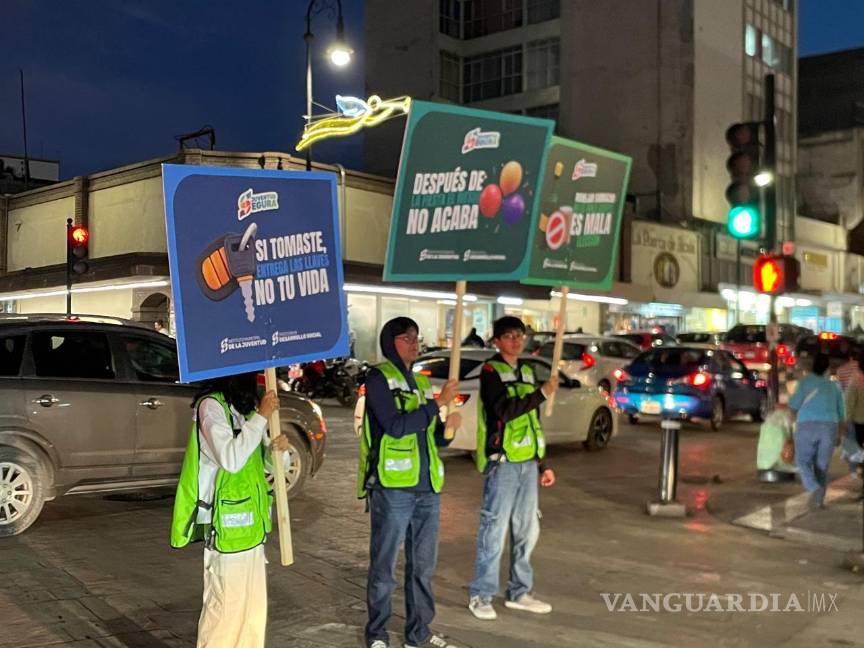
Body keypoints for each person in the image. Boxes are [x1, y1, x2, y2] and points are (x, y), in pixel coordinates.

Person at [357, 317, 462, 648]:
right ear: (390, 342)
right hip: (392, 488)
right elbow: (394, 426)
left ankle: (419, 634)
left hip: (427, 488)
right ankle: (376, 634)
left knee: (423, 568)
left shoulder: (419, 382)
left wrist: (448, 431)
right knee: (384, 566)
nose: (415, 343)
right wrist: (437, 404)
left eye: (417, 337)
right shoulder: (377, 378)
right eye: (407, 338)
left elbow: (427, 436)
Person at [170, 372, 291, 648]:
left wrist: (278, 452)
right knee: (224, 614)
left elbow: (266, 468)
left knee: (252, 616)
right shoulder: (210, 408)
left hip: (252, 529)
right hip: (224, 531)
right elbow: (231, 459)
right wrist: (260, 417)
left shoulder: (246, 410)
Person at [468, 315, 558, 621]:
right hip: (502, 463)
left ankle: (520, 591)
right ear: (496, 341)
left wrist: (542, 463)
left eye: (520, 335)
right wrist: (541, 394)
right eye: (509, 336)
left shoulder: (528, 370)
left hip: (527, 464)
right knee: (493, 530)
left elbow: (534, 421)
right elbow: (505, 411)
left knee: (527, 530)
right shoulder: (491, 371)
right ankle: (481, 594)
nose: (516, 341)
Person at [788, 353, 845, 510]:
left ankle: (813, 487)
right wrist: (840, 434)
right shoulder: (834, 386)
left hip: (806, 426)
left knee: (802, 461)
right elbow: (842, 414)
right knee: (822, 466)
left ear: (812, 367)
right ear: (827, 368)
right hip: (829, 427)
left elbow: (793, 405)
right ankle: (819, 502)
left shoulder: (805, 383)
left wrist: (790, 424)